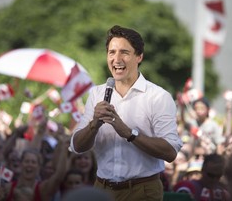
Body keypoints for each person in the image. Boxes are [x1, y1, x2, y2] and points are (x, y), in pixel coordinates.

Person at [69, 25, 183, 201]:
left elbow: (170, 152)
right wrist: (94, 124)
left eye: (124, 52)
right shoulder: (96, 94)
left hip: (143, 190)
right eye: (112, 52)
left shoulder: (158, 97)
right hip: (102, 189)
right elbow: (77, 146)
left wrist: (129, 134)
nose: (117, 59)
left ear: (139, 57)